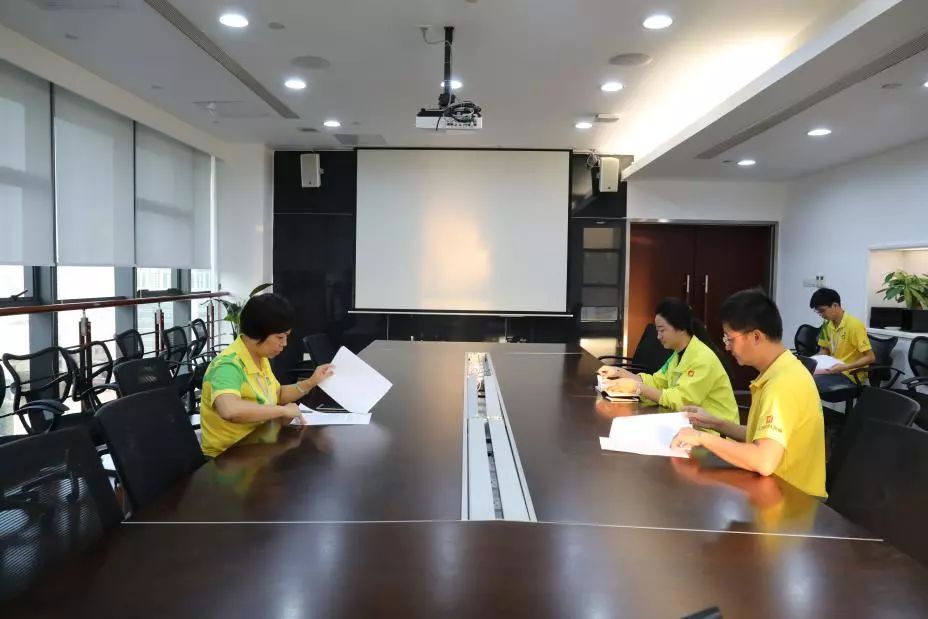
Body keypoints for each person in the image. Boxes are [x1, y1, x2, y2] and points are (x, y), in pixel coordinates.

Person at [670, 289, 826, 498]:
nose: (727, 347)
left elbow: (764, 460)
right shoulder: (782, 370)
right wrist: (714, 422)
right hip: (777, 491)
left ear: (756, 336)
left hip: (793, 501)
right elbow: (762, 437)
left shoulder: (782, 384)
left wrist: (700, 438)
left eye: (730, 339)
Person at [200, 293, 334, 458]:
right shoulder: (227, 365)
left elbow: (276, 394)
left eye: (286, 337)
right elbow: (230, 409)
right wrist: (282, 411)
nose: (284, 343)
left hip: (258, 447)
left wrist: (311, 382)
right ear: (257, 333)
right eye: (280, 337)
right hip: (228, 458)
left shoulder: (259, 358)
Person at [597, 298, 739, 426]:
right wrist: (621, 373)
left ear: (681, 328)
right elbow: (658, 382)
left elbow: (681, 401)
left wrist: (637, 388)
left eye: (662, 330)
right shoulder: (678, 354)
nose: (658, 336)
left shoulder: (702, 359)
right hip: (690, 426)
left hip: (715, 433)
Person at [809, 287, 875, 390]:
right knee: (803, 379)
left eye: (822, 311)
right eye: (818, 312)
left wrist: (845, 367)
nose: (821, 315)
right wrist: (811, 361)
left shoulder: (854, 325)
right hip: (832, 370)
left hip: (850, 374)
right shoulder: (826, 324)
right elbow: (825, 350)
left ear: (835, 305)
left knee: (812, 386)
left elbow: (870, 357)